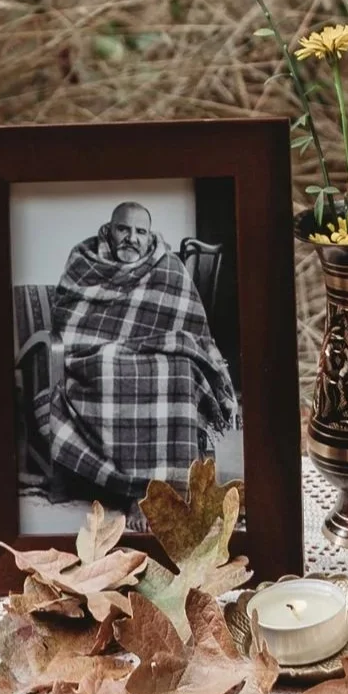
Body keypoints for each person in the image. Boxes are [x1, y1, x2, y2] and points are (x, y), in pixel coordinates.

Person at [32, 201, 237, 498]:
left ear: (150, 234)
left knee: (180, 370)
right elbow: (70, 322)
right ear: (109, 230)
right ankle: (134, 490)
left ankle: (170, 488)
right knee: (110, 366)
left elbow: (190, 327)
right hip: (94, 354)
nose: (132, 238)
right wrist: (114, 346)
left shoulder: (168, 265)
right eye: (123, 229)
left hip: (156, 350)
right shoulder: (84, 259)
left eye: (140, 231)